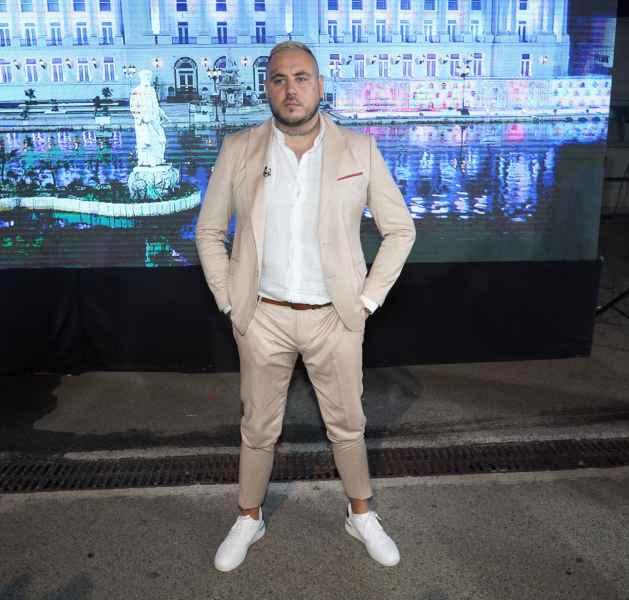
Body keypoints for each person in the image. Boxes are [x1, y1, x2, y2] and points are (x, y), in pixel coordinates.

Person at [195, 41, 415, 572]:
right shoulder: (238, 148)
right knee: (257, 427)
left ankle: (360, 514)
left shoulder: (359, 148)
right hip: (261, 317)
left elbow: (400, 230)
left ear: (319, 86)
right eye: (278, 79)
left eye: (300, 78)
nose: (289, 89)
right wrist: (230, 303)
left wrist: (366, 301)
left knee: (349, 423)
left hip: (335, 317)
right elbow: (208, 231)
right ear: (266, 88)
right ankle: (249, 517)